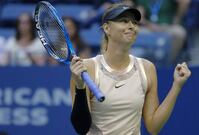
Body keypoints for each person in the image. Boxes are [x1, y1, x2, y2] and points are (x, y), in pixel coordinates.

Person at [70, 3, 191, 135]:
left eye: (134, 22)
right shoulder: (87, 68)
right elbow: (81, 128)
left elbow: (153, 127)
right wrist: (80, 87)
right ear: (107, 28)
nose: (131, 26)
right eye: (124, 21)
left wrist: (177, 86)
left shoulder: (147, 68)